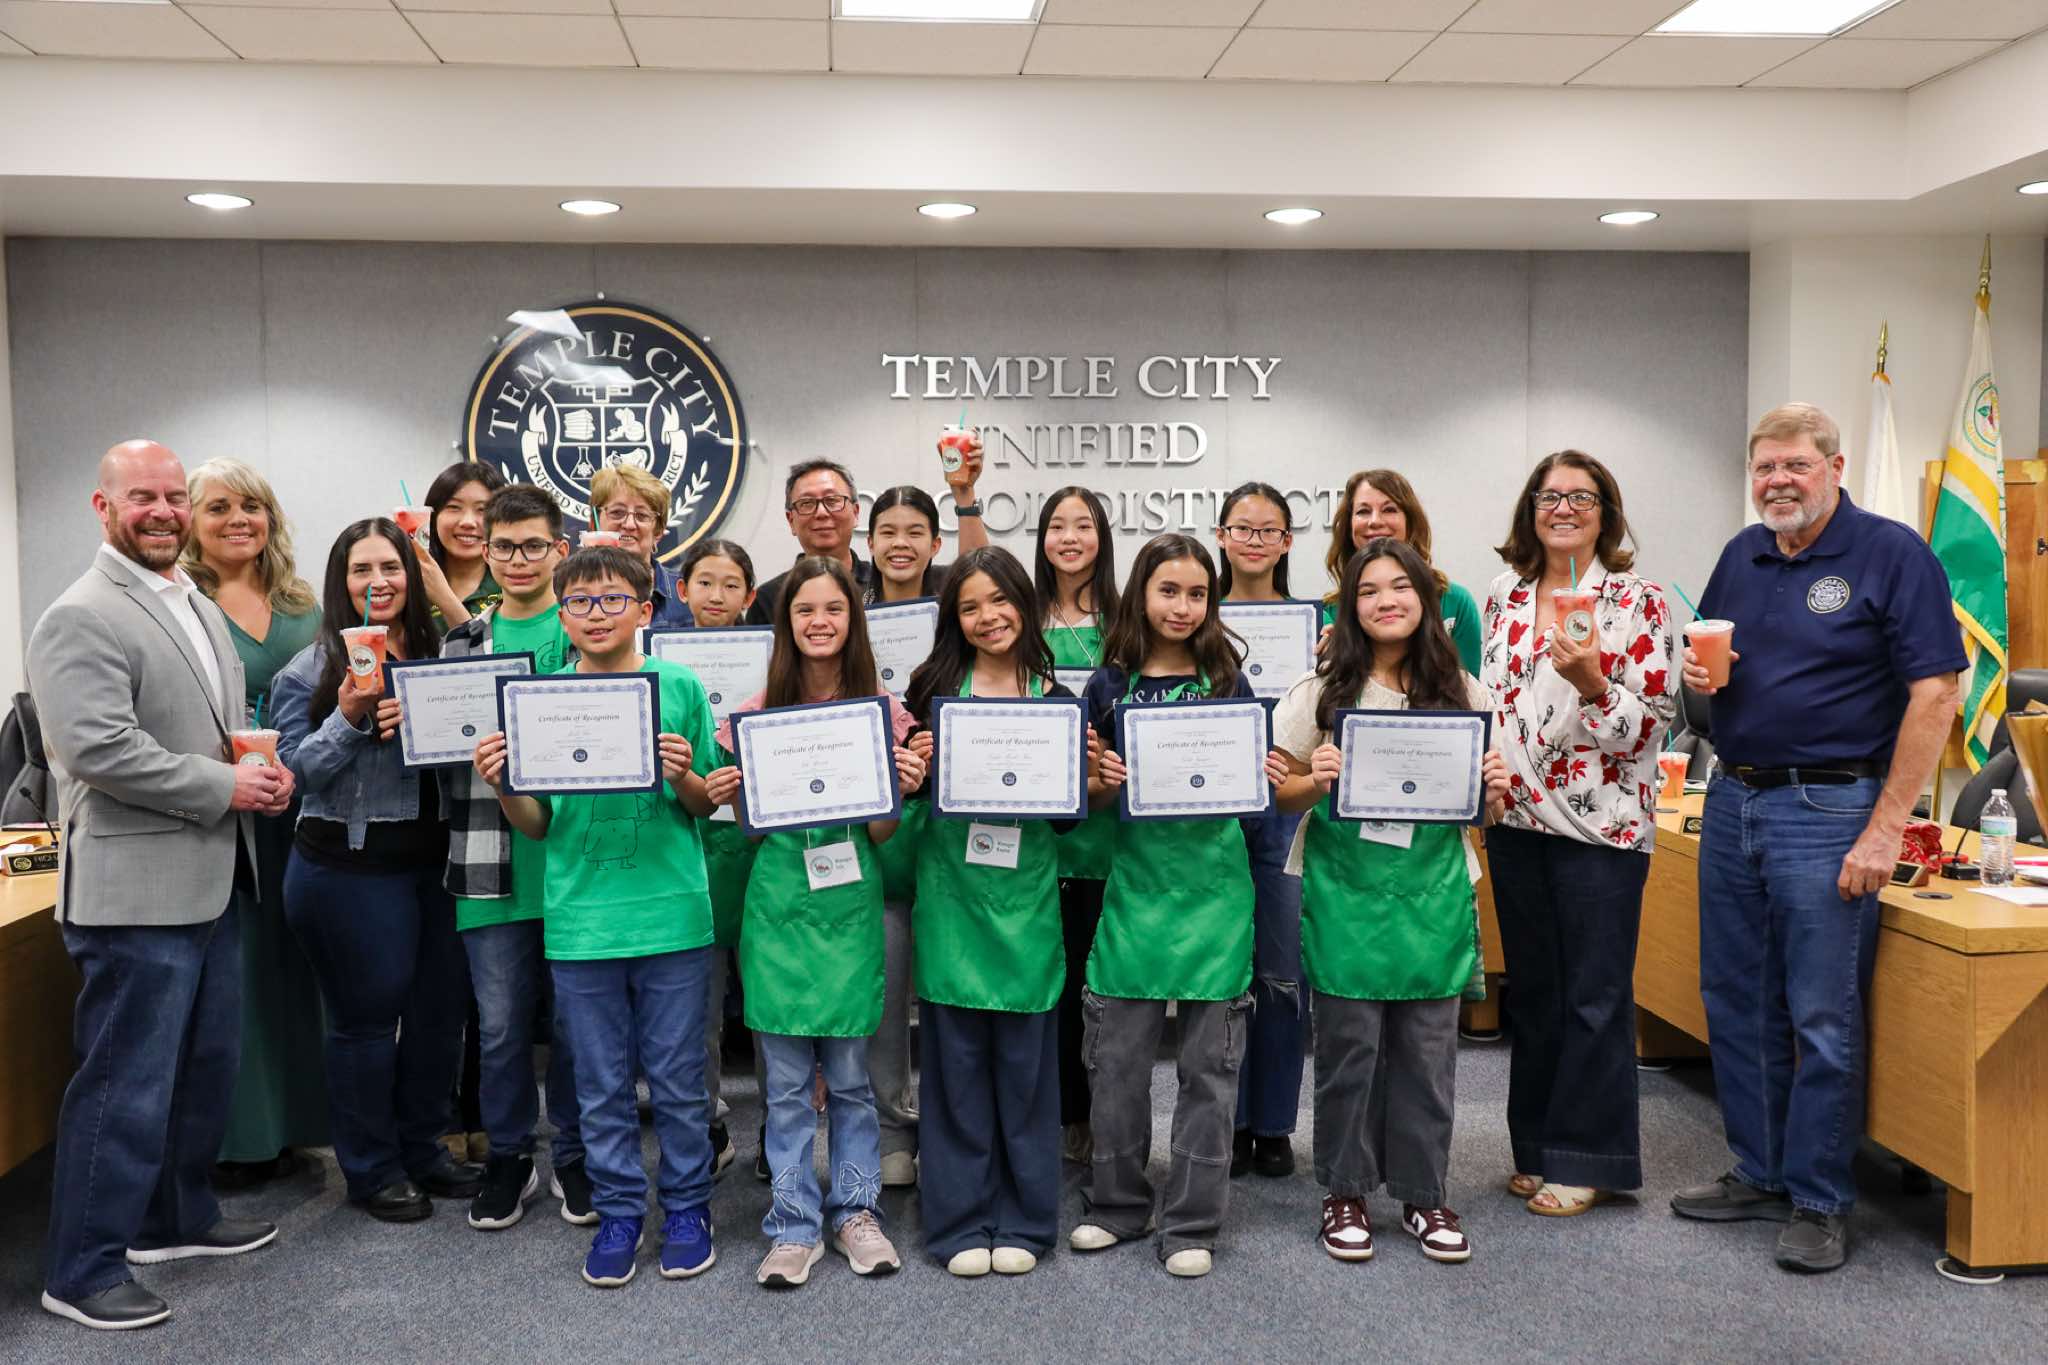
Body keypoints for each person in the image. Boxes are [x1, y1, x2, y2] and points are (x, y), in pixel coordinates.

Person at [1671, 403, 1964, 1273]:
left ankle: (1821, 1197)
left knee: (1821, 1012)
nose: (1778, 481)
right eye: (1765, 467)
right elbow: (1712, 667)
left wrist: (1887, 828)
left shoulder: (1891, 553)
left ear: (1835, 468)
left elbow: (1937, 693)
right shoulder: (1743, 553)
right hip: (1734, 796)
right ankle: (1761, 1170)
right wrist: (1698, 676)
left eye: (1796, 464)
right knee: (1735, 996)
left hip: (1832, 807)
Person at [31, 440, 293, 1332]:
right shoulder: (81, 613)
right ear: (103, 506)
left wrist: (260, 770)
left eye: (175, 496)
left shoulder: (192, 600)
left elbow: (213, 728)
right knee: (125, 1084)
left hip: (211, 878)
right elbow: (98, 749)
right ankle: (83, 1268)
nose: (164, 511)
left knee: (201, 1068)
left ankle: (174, 1217)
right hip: (134, 893)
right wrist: (227, 786)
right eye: (142, 496)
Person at [473, 546, 723, 1288]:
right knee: (601, 1083)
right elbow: (538, 825)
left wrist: (684, 774)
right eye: (579, 602)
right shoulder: (541, 699)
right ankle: (618, 1211)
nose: (596, 614)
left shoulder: (679, 685)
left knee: (678, 1079)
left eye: (613, 599)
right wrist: (504, 784)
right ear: (563, 615)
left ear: (645, 609)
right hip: (582, 923)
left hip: (672, 918)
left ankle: (687, 1208)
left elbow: (708, 803)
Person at [1274, 539, 1510, 1265]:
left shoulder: (1463, 692)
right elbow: (1278, 793)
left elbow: (1486, 814)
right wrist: (1315, 778)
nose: (1386, 601)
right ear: (1350, 606)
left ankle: (1423, 1193)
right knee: (1348, 1050)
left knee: (1428, 1054)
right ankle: (1344, 1191)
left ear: (1426, 599)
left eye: (1400, 586)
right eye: (1369, 589)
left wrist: (1495, 793)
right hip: (1346, 891)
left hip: (1431, 894)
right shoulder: (1320, 691)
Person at [710, 557, 926, 1288]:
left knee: (854, 1080)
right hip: (779, 910)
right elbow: (750, 828)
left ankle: (857, 1213)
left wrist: (900, 789)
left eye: (834, 608)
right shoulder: (753, 714)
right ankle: (793, 1223)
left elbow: (882, 834)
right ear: (787, 623)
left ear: (852, 619)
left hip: (849, 909)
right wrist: (731, 790)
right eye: (805, 610)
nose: (819, 621)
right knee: (784, 1086)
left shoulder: (882, 711)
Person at [1480, 450, 1676, 1219]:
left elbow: (1649, 728)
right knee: (1533, 991)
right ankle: (1535, 1145)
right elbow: (1495, 704)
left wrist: (1594, 683)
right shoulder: (1503, 595)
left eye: (1581, 497)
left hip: (1603, 826)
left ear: (1606, 513)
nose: (1563, 508)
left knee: (1595, 995)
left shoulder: (1636, 600)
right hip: (1515, 820)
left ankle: (1589, 1157)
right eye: (1549, 495)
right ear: (1530, 509)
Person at [272, 519, 480, 1223]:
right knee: (365, 1024)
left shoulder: (441, 655)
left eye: (390, 567)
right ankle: (371, 1168)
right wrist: (350, 715)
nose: (378, 581)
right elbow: (293, 776)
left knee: (436, 1019)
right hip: (347, 873)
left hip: (437, 871)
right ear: (342, 582)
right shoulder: (310, 669)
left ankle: (424, 1148)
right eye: (361, 569)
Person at [1072, 534, 1267, 1280]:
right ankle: (1118, 1204)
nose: (1182, 607)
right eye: (1168, 591)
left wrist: (1262, 771)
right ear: (1140, 595)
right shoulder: (1107, 685)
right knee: (1116, 1062)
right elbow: (1086, 797)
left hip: (1215, 893)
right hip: (1136, 894)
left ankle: (1192, 1218)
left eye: (1196, 594)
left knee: (1209, 1069)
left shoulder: (1227, 680)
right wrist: (1099, 781)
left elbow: (1251, 791)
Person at [902, 547, 1085, 1278]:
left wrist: (1081, 769)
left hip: (1026, 905)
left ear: (1024, 603)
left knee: (1025, 1072)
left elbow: (1066, 820)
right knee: (955, 1069)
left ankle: (1026, 1219)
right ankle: (956, 1221)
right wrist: (913, 771)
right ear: (955, 618)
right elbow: (910, 793)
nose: (987, 617)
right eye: (970, 606)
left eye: (1000, 600)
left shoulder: (1056, 696)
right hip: (953, 900)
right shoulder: (930, 690)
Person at [437, 484, 589, 1230]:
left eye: (534, 545)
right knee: (499, 1028)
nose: (519, 559)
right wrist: (413, 724)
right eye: (504, 546)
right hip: (486, 861)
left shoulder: (586, 629)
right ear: (486, 552)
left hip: (574, 861)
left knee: (575, 1025)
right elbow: (441, 756)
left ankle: (577, 1152)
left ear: (561, 549)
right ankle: (509, 1154)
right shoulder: (460, 645)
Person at [181, 457, 329, 1186]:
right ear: (191, 521)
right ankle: (238, 1139)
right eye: (218, 508)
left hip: (299, 809)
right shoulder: (181, 602)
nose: (238, 520)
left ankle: (296, 1123)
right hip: (222, 811)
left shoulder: (305, 605)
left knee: (295, 966)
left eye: (251, 506)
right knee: (233, 975)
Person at [1214, 480, 1308, 1181]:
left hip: (1284, 808)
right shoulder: (1194, 613)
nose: (1253, 540)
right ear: (1221, 537)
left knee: (1280, 970)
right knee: (1222, 971)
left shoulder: (1315, 626)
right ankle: (1226, 1119)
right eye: (1240, 528)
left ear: (1286, 542)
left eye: (1267, 529)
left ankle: (1272, 1121)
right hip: (1212, 812)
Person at [1031, 486, 1121, 1165]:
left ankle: (1104, 1114)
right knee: (1056, 990)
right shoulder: (1022, 620)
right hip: (1042, 832)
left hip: (1109, 831)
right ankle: (1064, 1115)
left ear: (1102, 538)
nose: (1069, 537)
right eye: (1057, 525)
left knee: (1104, 986)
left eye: (1082, 525)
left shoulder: (1126, 623)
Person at [674, 537, 761, 1177]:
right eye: (705, 582)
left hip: (759, 853)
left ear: (750, 596)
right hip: (692, 850)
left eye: (731, 584)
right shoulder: (660, 665)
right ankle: (706, 1124)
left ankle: (780, 1133)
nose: (717, 595)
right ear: (682, 590)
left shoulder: (775, 663)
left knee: (770, 1003)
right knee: (697, 1010)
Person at [747, 436, 987, 625]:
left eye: (832, 501)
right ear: (790, 520)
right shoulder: (771, 598)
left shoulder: (891, 578)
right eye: (807, 503)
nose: (821, 513)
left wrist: (964, 494)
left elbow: (978, 578)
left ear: (856, 512)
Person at [1324, 469, 1482, 674]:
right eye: (1363, 511)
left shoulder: (1455, 602)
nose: (1375, 521)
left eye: (1389, 509)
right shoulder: (1330, 611)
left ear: (1410, 521)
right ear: (1349, 525)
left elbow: (1467, 687)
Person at [589, 462, 692, 629]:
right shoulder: (570, 593)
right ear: (594, 524)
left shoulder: (688, 596)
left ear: (658, 532)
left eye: (642, 515)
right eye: (617, 513)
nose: (629, 524)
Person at [414, 460, 509, 630]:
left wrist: (443, 597)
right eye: (454, 507)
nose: (468, 522)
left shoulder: (514, 585)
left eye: (482, 509)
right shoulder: (410, 583)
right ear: (432, 516)